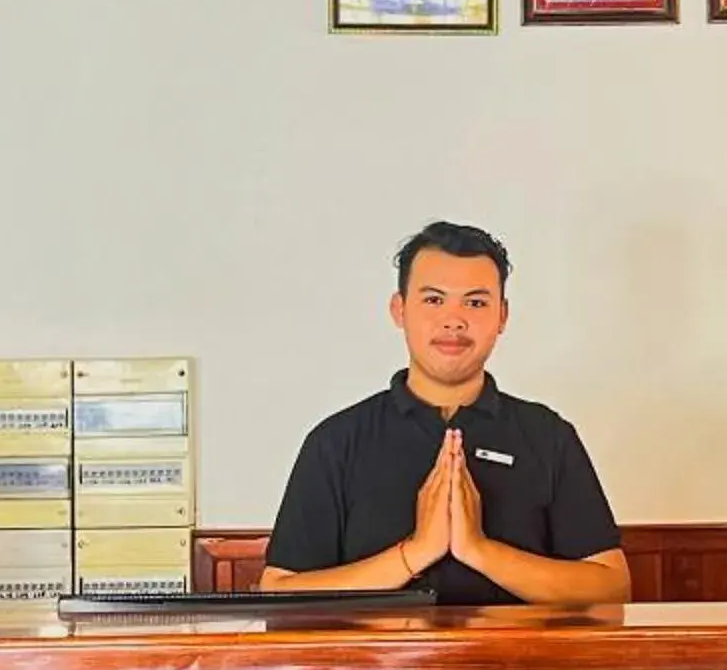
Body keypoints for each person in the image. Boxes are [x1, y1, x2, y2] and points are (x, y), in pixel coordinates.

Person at [260, 222, 630, 606]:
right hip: (378, 667)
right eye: (434, 300)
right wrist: (417, 551)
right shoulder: (337, 441)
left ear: (502, 316)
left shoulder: (548, 436)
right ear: (399, 309)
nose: (454, 320)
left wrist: (478, 549)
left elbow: (611, 588)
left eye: (475, 302)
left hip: (516, 665)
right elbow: (280, 592)